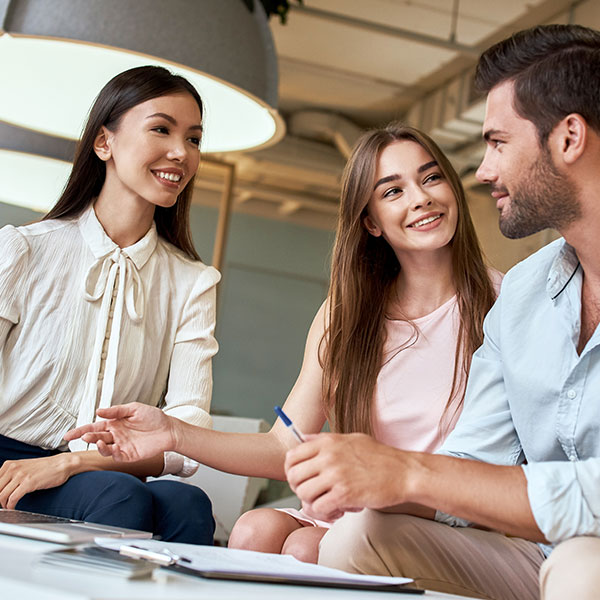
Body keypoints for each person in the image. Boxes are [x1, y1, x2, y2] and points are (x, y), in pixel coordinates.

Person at [65, 124, 500, 562]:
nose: (420, 198)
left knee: (307, 547)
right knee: (256, 529)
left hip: (432, 513)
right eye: (392, 192)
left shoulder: (502, 302)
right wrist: (173, 432)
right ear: (370, 222)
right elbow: (286, 445)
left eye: (430, 178)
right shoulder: (346, 314)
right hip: (352, 511)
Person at [276, 23, 600, 600]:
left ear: (568, 138)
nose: (482, 171)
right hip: (536, 550)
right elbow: (475, 456)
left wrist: (410, 471)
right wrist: (367, 479)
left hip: (583, 555)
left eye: (498, 143)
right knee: (355, 538)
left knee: (584, 565)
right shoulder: (524, 295)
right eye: (392, 191)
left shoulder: (490, 293)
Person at [0, 66, 219, 544]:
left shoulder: (192, 282)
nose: (181, 153)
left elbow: (190, 436)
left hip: (107, 469)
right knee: (120, 498)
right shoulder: (22, 249)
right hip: (7, 463)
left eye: (195, 138)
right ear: (105, 143)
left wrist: (73, 461)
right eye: (161, 129)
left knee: (188, 502)